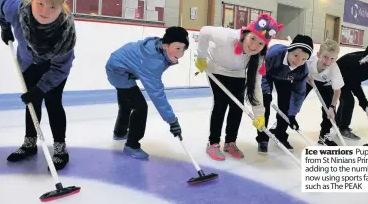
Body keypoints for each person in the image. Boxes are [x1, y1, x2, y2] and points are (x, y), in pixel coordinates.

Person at [0, 0, 76, 170]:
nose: (44, 11)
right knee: (31, 105)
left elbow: (61, 69)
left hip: (53, 69)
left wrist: (40, 88)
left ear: (61, 8)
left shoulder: (65, 33)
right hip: (27, 63)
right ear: (32, 0)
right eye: (40, 3)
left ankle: (60, 150)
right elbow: (1, 4)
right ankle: (30, 144)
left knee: (53, 102)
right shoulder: (17, 9)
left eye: (52, 6)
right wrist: (5, 27)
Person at [195, 13, 284, 161]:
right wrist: (201, 57)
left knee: (237, 107)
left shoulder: (260, 56)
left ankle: (230, 142)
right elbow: (204, 31)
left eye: (261, 43)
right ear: (246, 34)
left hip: (238, 74)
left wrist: (260, 114)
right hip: (216, 68)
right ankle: (213, 143)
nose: (255, 45)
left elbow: (256, 85)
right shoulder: (227, 36)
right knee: (221, 104)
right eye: (253, 38)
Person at [105, 26, 189, 159]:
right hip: (118, 71)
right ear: (166, 45)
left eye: (183, 49)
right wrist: (172, 121)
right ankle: (132, 145)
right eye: (177, 48)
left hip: (121, 67)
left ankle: (120, 132)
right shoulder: (153, 62)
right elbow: (157, 94)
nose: (180, 54)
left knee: (127, 102)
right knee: (140, 107)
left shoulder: (158, 48)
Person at [259, 34, 313, 154]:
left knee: (285, 106)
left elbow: (299, 93)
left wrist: (292, 115)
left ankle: (280, 135)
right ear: (289, 50)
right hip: (268, 74)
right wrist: (266, 92)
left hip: (285, 78)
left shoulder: (302, 70)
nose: (298, 61)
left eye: (304, 59)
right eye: (295, 55)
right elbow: (262, 73)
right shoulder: (274, 55)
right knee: (264, 107)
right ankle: (262, 138)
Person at [336, 39, 368, 140]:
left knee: (345, 100)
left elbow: (356, 81)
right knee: (348, 100)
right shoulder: (360, 64)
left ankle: (338, 123)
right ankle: (343, 128)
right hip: (337, 75)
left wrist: (362, 100)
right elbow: (354, 83)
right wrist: (362, 100)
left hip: (349, 77)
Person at [304, 39, 344, 146]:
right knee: (294, 101)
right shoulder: (309, 61)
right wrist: (304, 76)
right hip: (309, 80)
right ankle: (280, 126)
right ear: (318, 54)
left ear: (336, 59)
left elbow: (337, 91)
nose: (328, 62)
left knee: (329, 111)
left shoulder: (334, 69)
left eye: (332, 59)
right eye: (325, 57)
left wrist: (332, 107)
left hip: (326, 84)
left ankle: (324, 136)